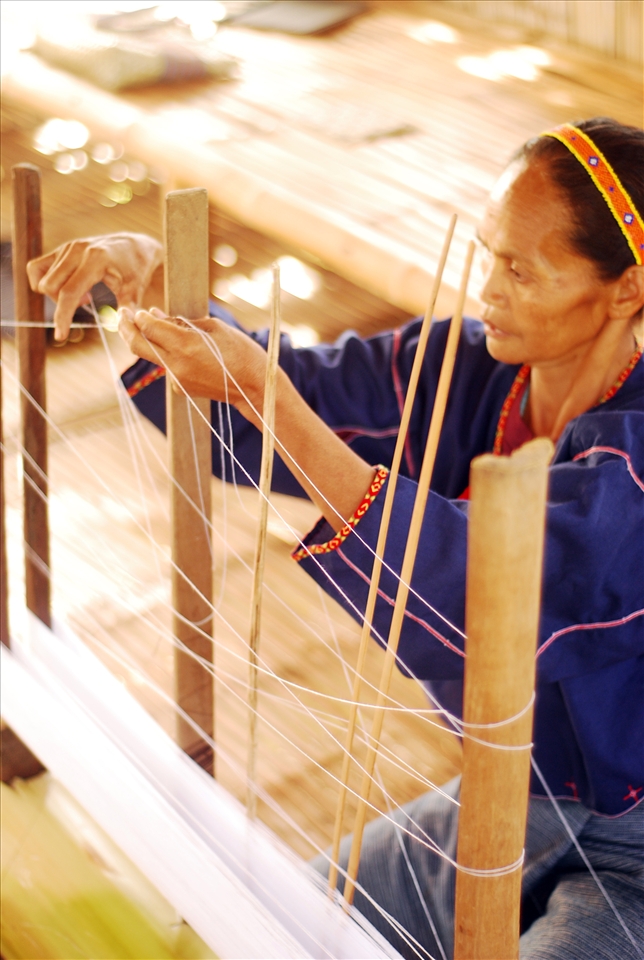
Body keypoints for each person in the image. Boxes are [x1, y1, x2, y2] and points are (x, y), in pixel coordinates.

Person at [29, 116, 644, 959]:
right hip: (514, 799)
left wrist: (273, 401)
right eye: (487, 252)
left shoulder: (636, 462)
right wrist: (153, 290)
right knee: (289, 930)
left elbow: (484, 599)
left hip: (635, 844)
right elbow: (289, 395)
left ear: (626, 290)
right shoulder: (467, 368)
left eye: (520, 271)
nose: (487, 289)